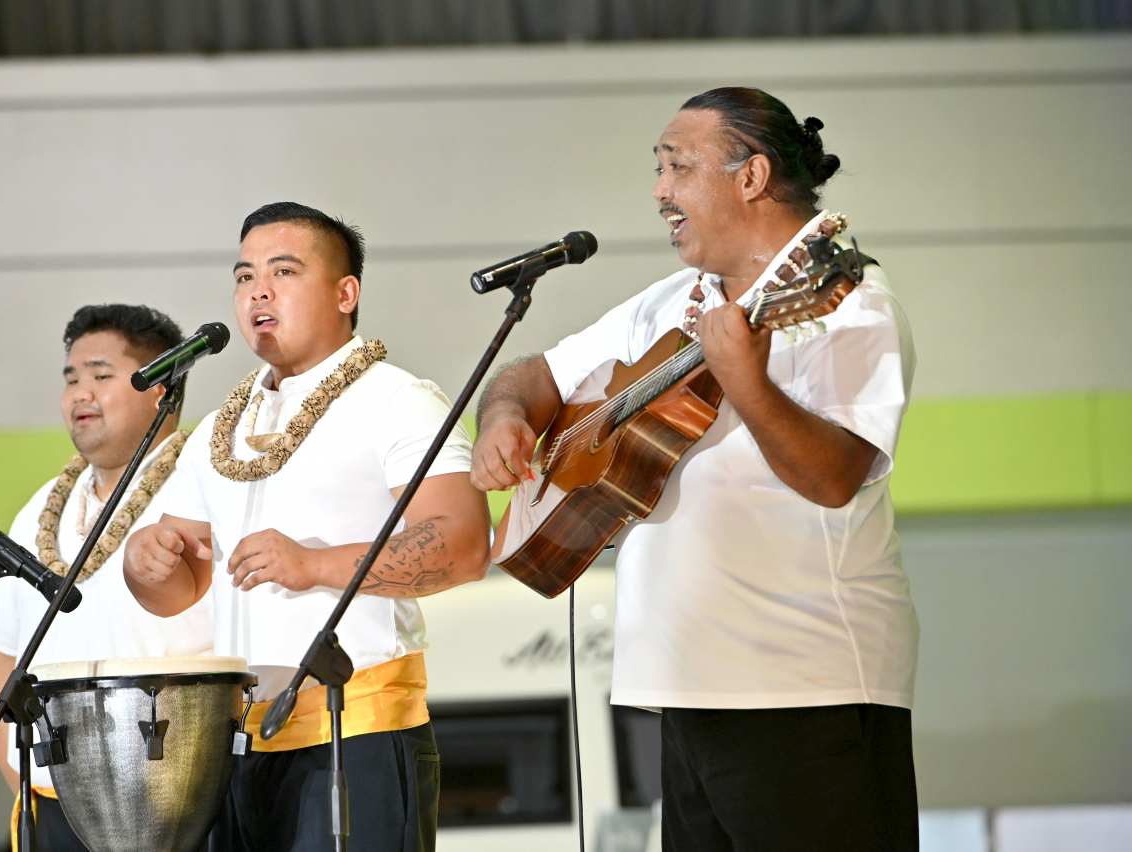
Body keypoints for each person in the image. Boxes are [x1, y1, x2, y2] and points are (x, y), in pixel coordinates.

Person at [471, 87, 920, 852]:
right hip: (683, 691)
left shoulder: (849, 305)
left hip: (805, 692)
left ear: (751, 177)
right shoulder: (671, 302)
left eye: (677, 167)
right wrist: (505, 418)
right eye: (658, 170)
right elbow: (532, 373)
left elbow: (834, 476)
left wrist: (745, 378)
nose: (659, 191)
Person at [123, 202, 492, 852]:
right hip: (237, 742)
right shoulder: (218, 429)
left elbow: (462, 544)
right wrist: (145, 563)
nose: (257, 291)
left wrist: (314, 564)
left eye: (283, 271)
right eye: (243, 277)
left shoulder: (397, 399)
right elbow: (179, 587)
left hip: (359, 735)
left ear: (346, 293)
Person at [0, 304, 214, 851]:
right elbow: (2, 655)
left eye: (101, 376)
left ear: (160, 388)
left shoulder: (203, 487)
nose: (80, 393)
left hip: (183, 802)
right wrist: (28, 785)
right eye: (71, 378)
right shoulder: (40, 509)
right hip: (54, 802)